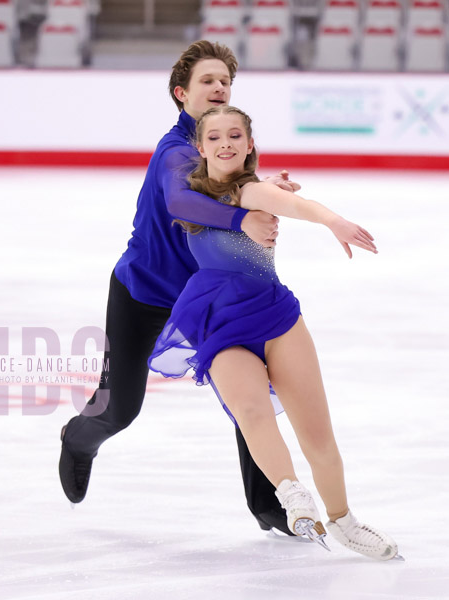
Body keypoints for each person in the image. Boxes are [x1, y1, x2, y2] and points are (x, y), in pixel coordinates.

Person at [59, 40, 300, 536]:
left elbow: (237, 190)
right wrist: (243, 216)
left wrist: (263, 190)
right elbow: (180, 201)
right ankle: (78, 439)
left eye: (225, 82)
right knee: (120, 409)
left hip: (206, 298)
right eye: (207, 81)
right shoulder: (174, 150)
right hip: (143, 292)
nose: (218, 88)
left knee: (246, 395)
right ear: (181, 94)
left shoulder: (229, 142)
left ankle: (269, 505)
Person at [148, 105, 401, 561]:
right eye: (215, 137)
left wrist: (332, 221)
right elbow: (178, 202)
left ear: (248, 145)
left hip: (273, 318)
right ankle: (290, 492)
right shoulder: (189, 192)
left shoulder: (253, 191)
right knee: (250, 409)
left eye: (235, 135)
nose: (225, 143)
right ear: (201, 147)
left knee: (317, 435)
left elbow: (296, 205)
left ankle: (344, 521)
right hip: (217, 320)